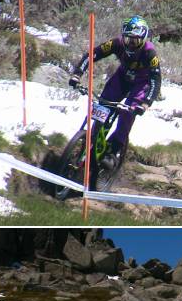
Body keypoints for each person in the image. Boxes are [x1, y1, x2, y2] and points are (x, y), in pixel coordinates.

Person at [68, 15, 162, 188]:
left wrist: (146, 103)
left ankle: (116, 149)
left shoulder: (150, 52)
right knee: (103, 105)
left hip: (141, 84)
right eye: (128, 39)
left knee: (127, 114)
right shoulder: (117, 43)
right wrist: (77, 74)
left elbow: (156, 80)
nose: (131, 43)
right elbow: (93, 54)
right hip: (122, 78)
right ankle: (94, 137)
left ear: (143, 39)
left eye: (135, 40)